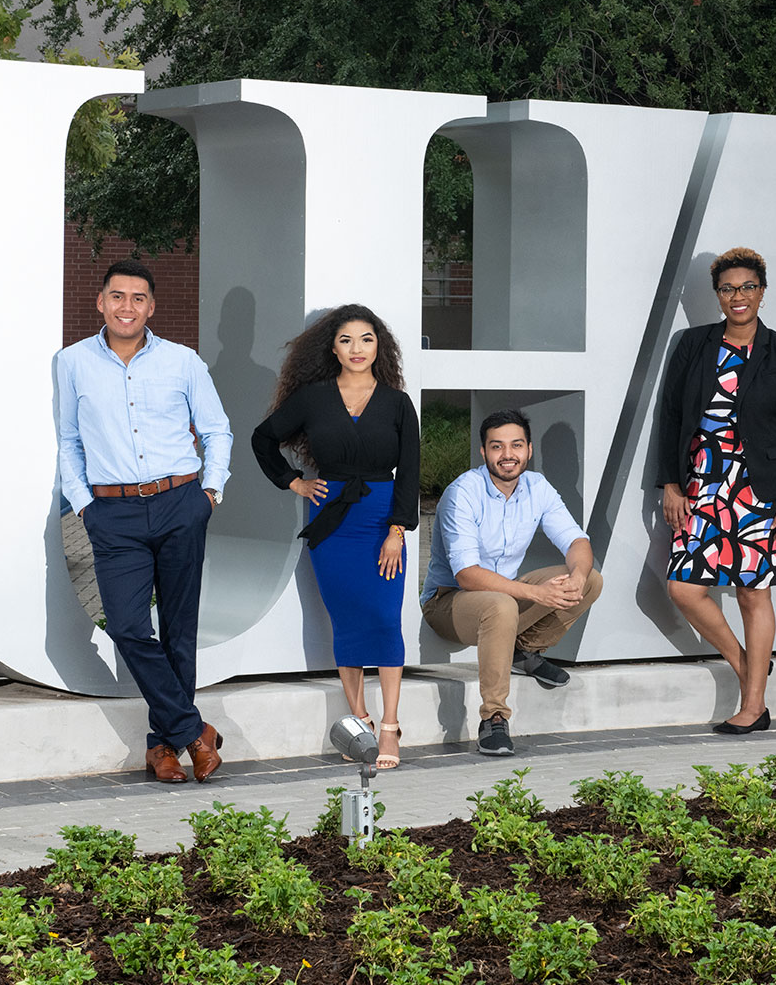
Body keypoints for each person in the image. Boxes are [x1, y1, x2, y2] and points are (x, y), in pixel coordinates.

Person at [57, 262, 233, 783]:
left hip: (182, 502)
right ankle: (195, 732)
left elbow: (217, 430)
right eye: (117, 297)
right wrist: (84, 504)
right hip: (113, 513)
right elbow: (68, 440)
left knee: (179, 631)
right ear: (100, 303)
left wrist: (211, 492)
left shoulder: (183, 362)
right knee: (130, 626)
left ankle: (163, 748)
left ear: (151, 307)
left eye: (137, 299)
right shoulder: (71, 363)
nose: (127, 307)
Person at [656, 246, 776, 736]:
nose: (738, 296)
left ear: (762, 293)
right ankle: (748, 665)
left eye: (747, 287)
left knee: (753, 594)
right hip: (702, 483)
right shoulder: (694, 344)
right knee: (683, 586)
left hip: (760, 488)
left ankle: (753, 706)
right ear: (717, 296)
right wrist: (670, 482)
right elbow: (671, 417)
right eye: (728, 288)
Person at [253, 305, 420, 770]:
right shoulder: (313, 398)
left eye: (366, 339)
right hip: (332, 520)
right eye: (346, 340)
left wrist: (397, 531)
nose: (357, 349)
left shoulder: (396, 403)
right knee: (345, 619)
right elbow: (262, 439)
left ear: (378, 346)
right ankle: (359, 722)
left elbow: (409, 472)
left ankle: (390, 725)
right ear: (333, 347)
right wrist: (295, 482)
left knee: (385, 618)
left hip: (381, 518)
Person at [423, 409, 604, 756]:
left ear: (529, 450)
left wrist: (577, 575)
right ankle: (493, 717)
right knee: (501, 603)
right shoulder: (463, 493)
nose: (508, 455)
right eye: (497, 447)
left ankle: (522, 651)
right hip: (449, 601)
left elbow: (576, 542)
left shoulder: (538, 487)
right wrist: (536, 592)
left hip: (502, 596)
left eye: (516, 445)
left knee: (591, 580)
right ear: (483, 453)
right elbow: (467, 574)